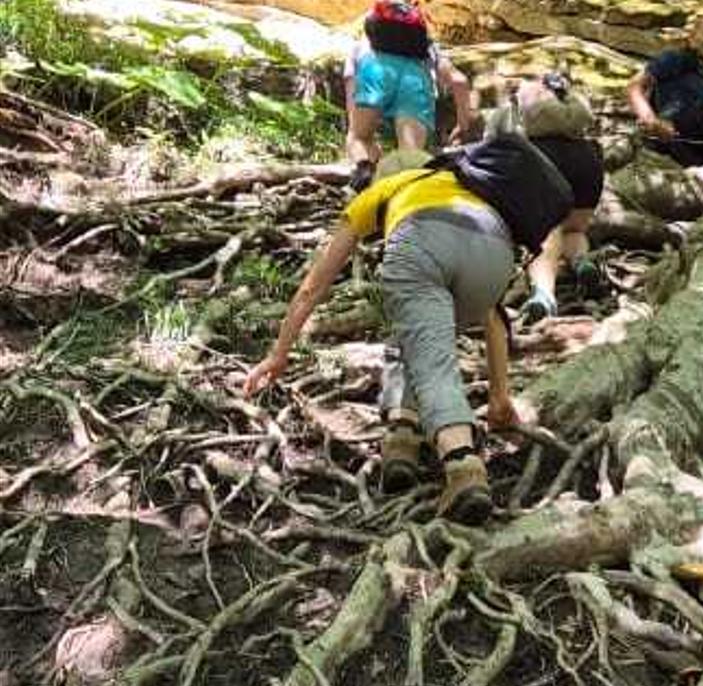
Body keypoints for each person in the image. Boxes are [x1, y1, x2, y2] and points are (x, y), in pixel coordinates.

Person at [244, 137, 575, 524]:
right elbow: (494, 319)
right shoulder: (465, 187)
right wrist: (500, 398)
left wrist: (279, 353)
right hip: (494, 253)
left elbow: (312, 288)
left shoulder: (384, 190)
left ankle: (463, 467)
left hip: (422, 243)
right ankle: (402, 438)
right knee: (417, 338)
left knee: (430, 357)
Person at [486, 73, 605, 322]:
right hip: (586, 162)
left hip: (544, 161)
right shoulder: (569, 103)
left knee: (546, 232)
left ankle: (544, 294)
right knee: (572, 229)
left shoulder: (517, 102)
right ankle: (582, 263)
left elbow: (492, 143)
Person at [343, 0, 476, 189]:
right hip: (415, 79)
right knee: (411, 154)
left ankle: (364, 177)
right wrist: (463, 125)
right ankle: (407, 196)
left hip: (375, 72)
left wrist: (354, 126)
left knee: (360, 138)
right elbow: (459, 81)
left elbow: (350, 79)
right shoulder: (429, 47)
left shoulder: (361, 45)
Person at [626, 15, 703, 167]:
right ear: (691, 37)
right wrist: (651, 120)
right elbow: (634, 86)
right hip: (678, 133)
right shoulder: (675, 58)